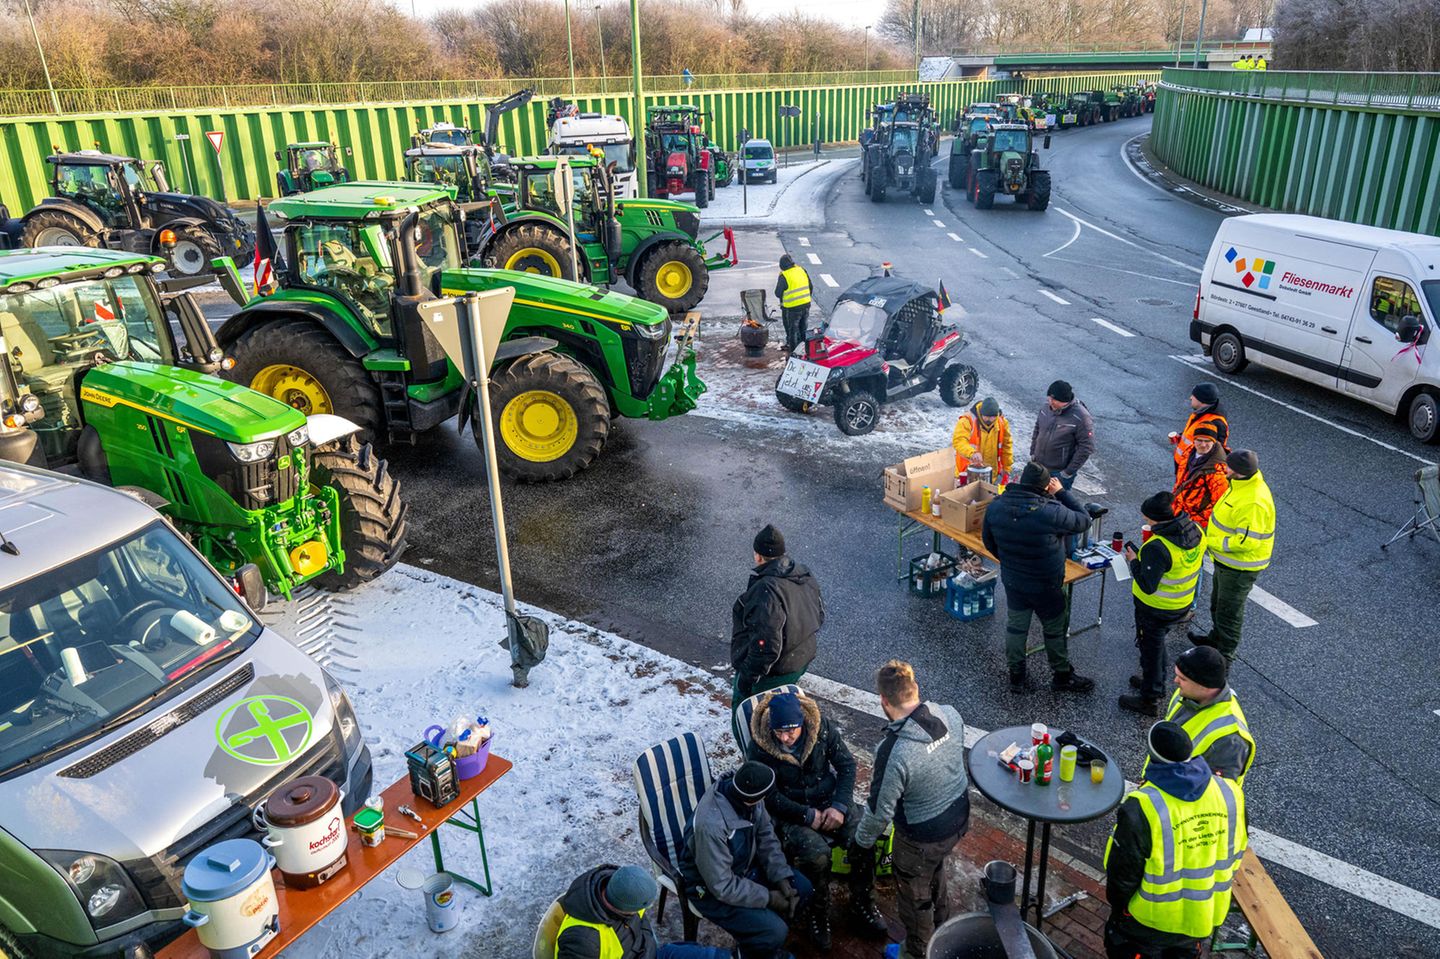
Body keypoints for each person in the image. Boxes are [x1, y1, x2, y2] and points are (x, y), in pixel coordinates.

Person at [851, 662, 969, 959]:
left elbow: (879, 812)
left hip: (921, 837)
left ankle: (918, 952)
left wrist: (860, 844)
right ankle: (945, 934)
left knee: (915, 900)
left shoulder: (894, 751)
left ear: (884, 701)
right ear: (915, 689)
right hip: (957, 819)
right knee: (935, 870)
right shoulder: (950, 715)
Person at [1103, 722, 1248, 959]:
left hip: (1147, 923)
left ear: (1152, 756)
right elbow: (1237, 849)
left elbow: (1123, 874)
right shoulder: (1230, 793)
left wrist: (1119, 910)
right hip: (1201, 919)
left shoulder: (1143, 806)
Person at [748, 691, 881, 948]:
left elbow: (846, 765)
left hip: (829, 800)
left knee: (862, 838)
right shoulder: (760, 745)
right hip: (791, 812)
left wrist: (840, 806)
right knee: (816, 856)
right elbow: (766, 794)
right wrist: (805, 815)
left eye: (791, 731)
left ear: (802, 723)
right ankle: (818, 913)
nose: (785, 738)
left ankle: (863, 903)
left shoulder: (821, 730)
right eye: (779, 732)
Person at [678, 761, 812, 959]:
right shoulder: (711, 827)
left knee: (802, 888)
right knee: (773, 931)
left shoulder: (750, 796)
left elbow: (766, 836)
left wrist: (781, 876)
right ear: (753, 798)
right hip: (707, 890)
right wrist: (769, 897)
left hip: (743, 868)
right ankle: (748, 952)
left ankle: (766, 943)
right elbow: (721, 886)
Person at [981, 462, 1096, 694]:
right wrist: (1062, 492)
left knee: (1016, 628)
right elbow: (1084, 520)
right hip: (1047, 583)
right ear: (1045, 487)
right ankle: (1061, 675)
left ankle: (1017, 676)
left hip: (1014, 580)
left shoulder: (996, 507)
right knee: (1053, 629)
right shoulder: (1049, 511)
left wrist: (1009, 561)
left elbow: (988, 541)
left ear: (1021, 481)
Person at [1120, 492, 1204, 716]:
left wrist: (1134, 561)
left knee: (1151, 650)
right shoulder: (1196, 531)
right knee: (1157, 646)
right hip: (1181, 604)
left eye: (1148, 519)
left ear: (1159, 520)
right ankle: (1153, 681)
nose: (1146, 522)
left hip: (1155, 608)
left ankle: (1150, 698)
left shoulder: (1157, 547)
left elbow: (1148, 584)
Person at [1189, 451, 1275, 661]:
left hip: (1239, 568)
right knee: (1218, 605)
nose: (1224, 468)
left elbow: (1246, 542)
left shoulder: (1253, 501)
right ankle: (1214, 640)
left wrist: (1210, 543)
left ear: (1238, 472)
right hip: (1226, 563)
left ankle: (1224, 656)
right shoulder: (1241, 485)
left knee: (1229, 613)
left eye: (1228, 466)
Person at [731, 525, 824, 711]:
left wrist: (747, 680)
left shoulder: (766, 591)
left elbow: (766, 647)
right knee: (780, 704)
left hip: (777, 670)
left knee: (745, 709)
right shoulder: (803, 573)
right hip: (801, 658)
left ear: (757, 556)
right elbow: (819, 614)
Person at [553, 864, 731, 959]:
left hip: (652, 953)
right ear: (627, 909)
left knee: (707, 956)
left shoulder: (621, 885)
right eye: (643, 908)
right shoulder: (583, 941)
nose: (645, 911)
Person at [1139, 647, 1256, 785]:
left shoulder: (1231, 740)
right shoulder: (1185, 693)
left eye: (1183, 678)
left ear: (1205, 686)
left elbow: (1216, 793)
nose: (1175, 681)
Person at [1031, 380, 1095, 490]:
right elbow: (1037, 429)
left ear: (1065, 400)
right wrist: (1033, 452)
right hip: (1038, 466)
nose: (1050, 402)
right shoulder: (1046, 408)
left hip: (1058, 473)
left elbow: (1086, 448)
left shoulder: (1081, 417)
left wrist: (1068, 472)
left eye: (1054, 399)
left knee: (1057, 504)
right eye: (1049, 398)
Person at [1171, 423, 1228, 528]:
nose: (1203, 444)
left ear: (1214, 442)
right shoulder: (1189, 451)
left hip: (1192, 521)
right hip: (1179, 510)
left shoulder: (1218, 471)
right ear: (1194, 440)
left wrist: (1195, 521)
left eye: (1207, 441)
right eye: (1199, 440)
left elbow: (1219, 504)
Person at [1171, 383, 1228, 481]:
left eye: (1194, 396)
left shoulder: (1216, 422)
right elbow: (1193, 433)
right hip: (1184, 465)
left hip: (1192, 469)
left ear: (1201, 400)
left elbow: (1214, 451)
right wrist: (1180, 436)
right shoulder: (1201, 412)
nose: (1190, 398)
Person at [951, 397, 1013, 483]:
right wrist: (972, 453)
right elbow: (959, 441)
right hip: (967, 473)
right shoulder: (967, 421)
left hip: (989, 474)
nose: (989, 420)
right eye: (986, 417)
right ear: (981, 413)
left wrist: (1006, 468)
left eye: (992, 417)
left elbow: (1007, 447)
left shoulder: (1002, 423)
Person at [775, 255, 812, 353]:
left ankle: (794, 354)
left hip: (793, 308)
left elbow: (777, 293)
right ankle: (805, 352)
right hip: (806, 304)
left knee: (793, 331)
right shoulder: (802, 270)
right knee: (803, 329)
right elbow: (810, 287)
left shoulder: (784, 275)